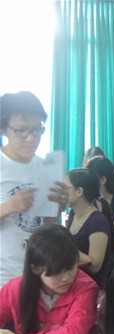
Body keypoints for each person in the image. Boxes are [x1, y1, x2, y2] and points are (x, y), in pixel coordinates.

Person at [0, 91, 69, 286]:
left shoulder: (45, 167)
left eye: (37, 129)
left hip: (37, 273)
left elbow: (45, 227)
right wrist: (9, 207)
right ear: (3, 129)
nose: (31, 138)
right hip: (3, 277)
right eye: (21, 130)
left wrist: (57, 208)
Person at [0, 224, 98, 334]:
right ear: (36, 269)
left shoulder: (86, 288)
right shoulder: (14, 289)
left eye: (71, 268)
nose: (66, 278)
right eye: (57, 272)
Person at [65, 168, 114, 287]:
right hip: (74, 281)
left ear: (79, 191)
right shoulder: (73, 214)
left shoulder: (97, 221)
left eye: (65, 188)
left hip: (92, 286)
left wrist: (66, 249)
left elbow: (95, 266)